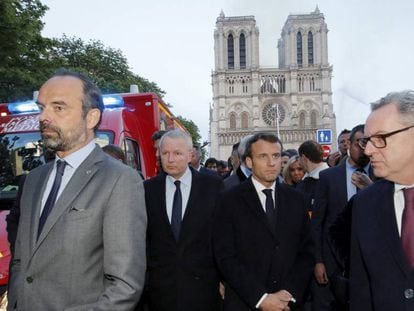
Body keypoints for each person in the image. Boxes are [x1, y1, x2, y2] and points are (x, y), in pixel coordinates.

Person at [7, 70, 147, 310]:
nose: (44, 117)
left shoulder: (120, 180)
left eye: (58, 108)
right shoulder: (33, 180)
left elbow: (124, 287)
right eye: (42, 107)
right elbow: (22, 261)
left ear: (91, 118)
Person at [214, 132, 314, 311]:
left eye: (276, 156)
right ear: (249, 162)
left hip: (288, 303)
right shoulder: (228, 200)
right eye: (263, 156)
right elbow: (225, 257)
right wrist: (261, 298)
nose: (272, 163)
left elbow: (306, 251)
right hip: (245, 303)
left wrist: (289, 293)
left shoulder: (297, 199)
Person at [144, 129, 223, 311]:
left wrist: (223, 279)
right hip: (160, 292)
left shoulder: (213, 187)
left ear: (190, 155)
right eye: (165, 153)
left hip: (204, 289)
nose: (170, 159)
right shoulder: (147, 190)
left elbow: (221, 237)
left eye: (177, 153)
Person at [349, 90, 414, 311]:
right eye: (367, 140)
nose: (367, 149)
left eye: (381, 138)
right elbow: (361, 291)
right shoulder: (365, 204)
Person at [311, 124, 373, 310]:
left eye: (367, 143)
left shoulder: (380, 176)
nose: (362, 149)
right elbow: (317, 223)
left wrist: (371, 190)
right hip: (333, 261)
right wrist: (318, 261)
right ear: (348, 145)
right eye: (358, 143)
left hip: (368, 260)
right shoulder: (328, 177)